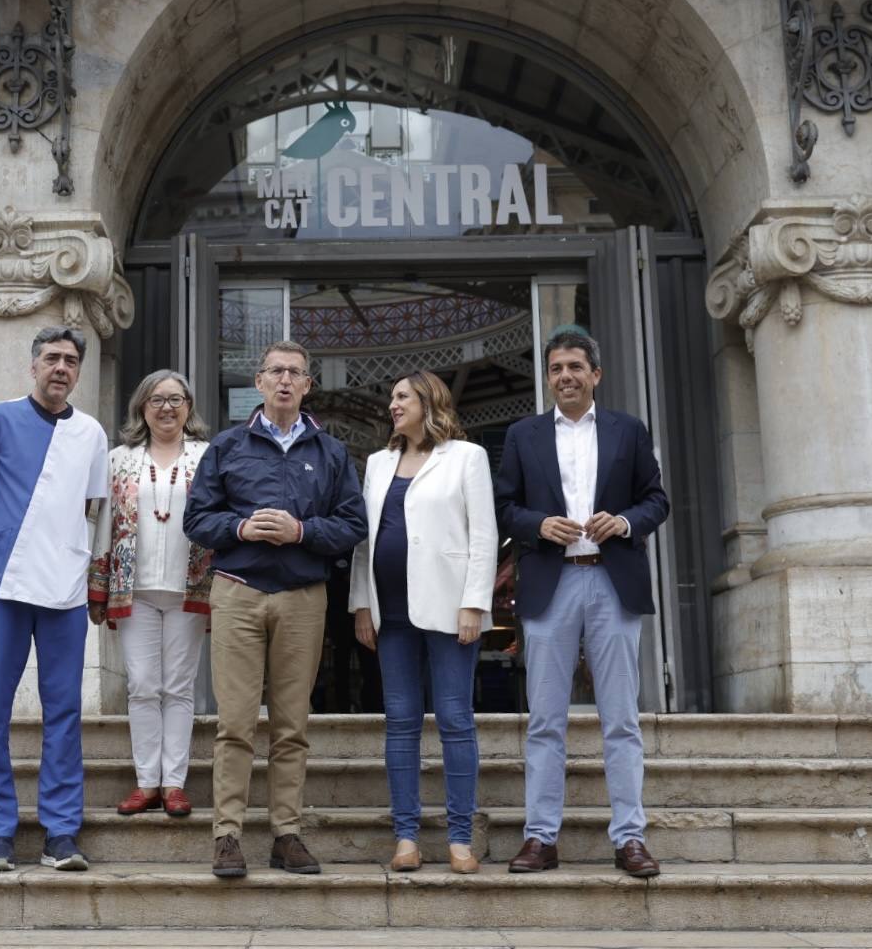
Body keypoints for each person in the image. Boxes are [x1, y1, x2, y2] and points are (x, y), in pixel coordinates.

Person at [184, 339, 367, 878]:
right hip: (238, 592)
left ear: (308, 386)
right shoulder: (226, 446)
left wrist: (303, 530)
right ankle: (228, 835)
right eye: (275, 371)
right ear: (258, 383)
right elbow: (198, 520)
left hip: (303, 599)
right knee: (235, 724)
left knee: (291, 726)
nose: (285, 380)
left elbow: (354, 526)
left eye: (296, 373)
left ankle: (286, 833)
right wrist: (239, 527)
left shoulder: (331, 453)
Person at [494, 327, 669, 878]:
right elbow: (503, 506)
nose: (565, 376)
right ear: (547, 378)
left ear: (596, 374)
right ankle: (540, 838)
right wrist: (538, 524)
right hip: (551, 584)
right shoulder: (523, 435)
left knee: (621, 719)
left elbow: (656, 500)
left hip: (611, 582)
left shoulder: (628, 431)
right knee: (545, 720)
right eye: (555, 369)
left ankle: (630, 839)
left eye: (574, 366)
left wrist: (623, 521)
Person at [0, 326, 109, 873]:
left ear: (78, 370)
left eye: (71, 360)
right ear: (33, 366)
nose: (61, 368)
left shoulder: (91, 433)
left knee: (64, 712)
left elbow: (94, 511)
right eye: (52, 358)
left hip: (65, 589)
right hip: (1, 585)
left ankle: (61, 834)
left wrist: (90, 574)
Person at [350, 370, 496, 874]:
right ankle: (406, 838)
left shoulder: (466, 457)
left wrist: (474, 604)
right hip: (390, 611)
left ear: (428, 401)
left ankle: (459, 839)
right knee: (401, 723)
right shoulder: (377, 462)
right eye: (391, 397)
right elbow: (364, 541)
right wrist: (361, 605)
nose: (393, 405)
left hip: (450, 608)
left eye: (402, 397)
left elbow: (483, 534)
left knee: (455, 720)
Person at [89, 370, 212, 819]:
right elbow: (104, 521)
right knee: (142, 686)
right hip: (133, 587)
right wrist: (98, 585)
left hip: (189, 585)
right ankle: (146, 783)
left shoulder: (207, 456)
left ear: (188, 407)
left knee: (179, 687)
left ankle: (174, 784)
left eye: (176, 399)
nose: (166, 407)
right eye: (157, 399)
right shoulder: (120, 458)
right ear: (142, 406)